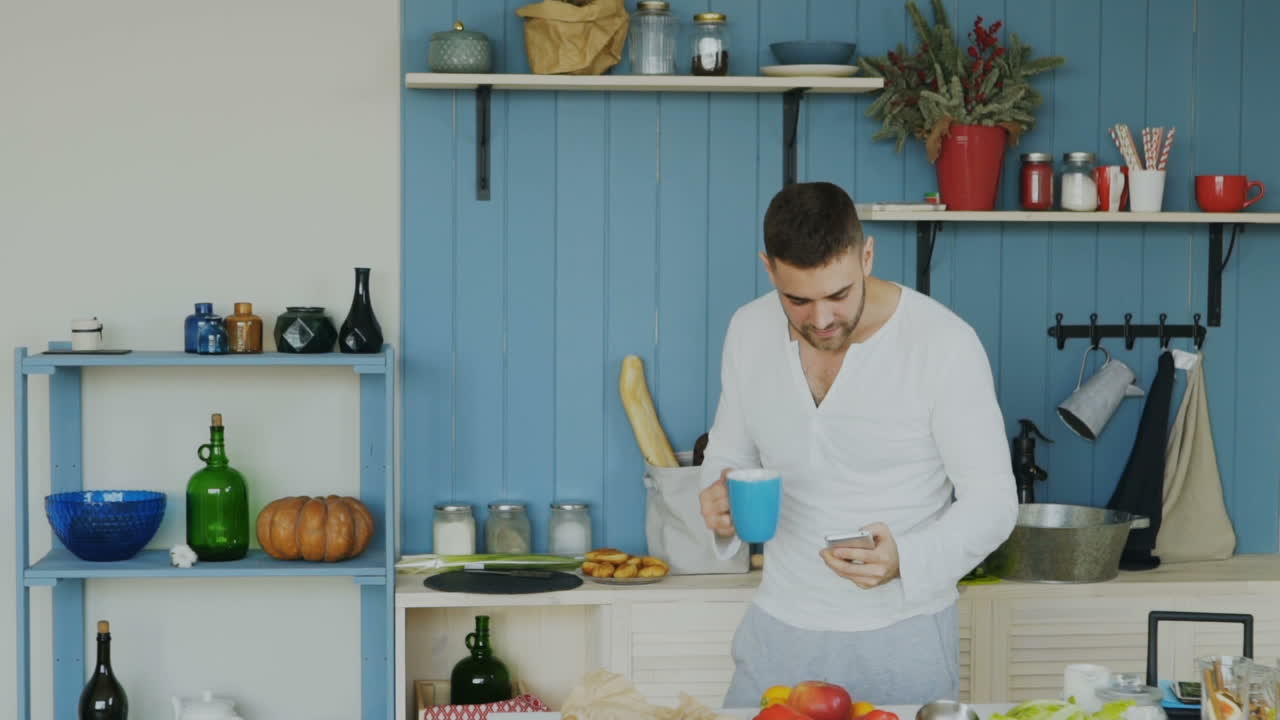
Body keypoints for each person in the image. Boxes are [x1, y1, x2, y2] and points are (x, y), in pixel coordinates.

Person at [698, 182, 1017, 707]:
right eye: (798, 300)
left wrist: (906, 559)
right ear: (768, 268)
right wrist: (718, 496)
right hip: (778, 628)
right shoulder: (748, 330)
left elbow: (994, 504)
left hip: (902, 636)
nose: (821, 320)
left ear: (867, 256)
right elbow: (729, 454)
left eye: (839, 295)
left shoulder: (944, 344)